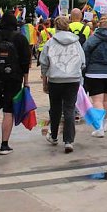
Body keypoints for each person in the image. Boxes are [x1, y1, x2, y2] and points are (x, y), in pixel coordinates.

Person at [0, 12, 31, 155]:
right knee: (9, 111)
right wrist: (26, 82)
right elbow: (25, 62)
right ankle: (4, 145)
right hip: (14, 79)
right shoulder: (20, 39)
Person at [40, 16, 85, 153]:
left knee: (55, 108)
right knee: (69, 109)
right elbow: (83, 62)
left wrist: (45, 81)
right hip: (73, 80)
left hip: (55, 80)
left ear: (56, 26)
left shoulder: (50, 43)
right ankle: (69, 141)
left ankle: (54, 136)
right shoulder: (76, 43)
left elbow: (44, 63)